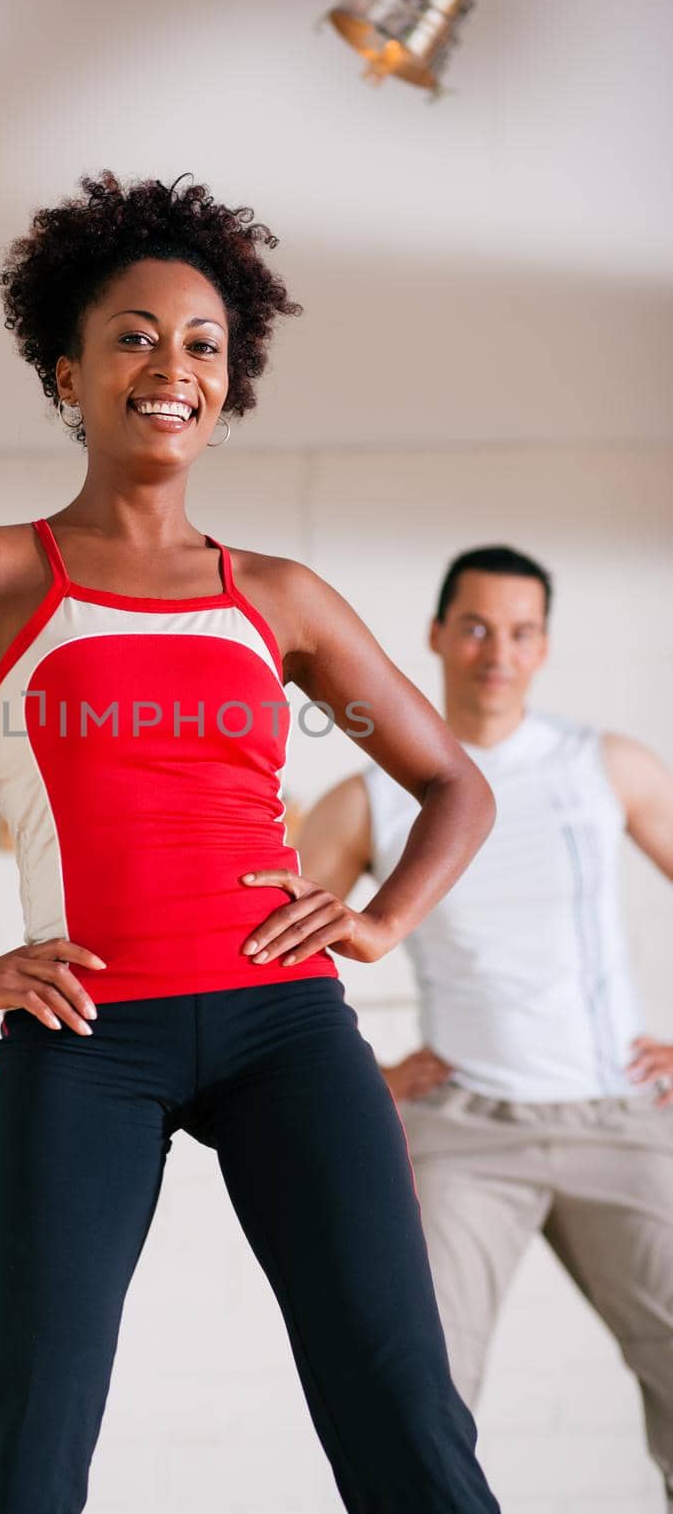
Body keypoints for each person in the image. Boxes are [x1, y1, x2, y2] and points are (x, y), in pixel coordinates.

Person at [0, 172, 502, 1514]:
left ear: (230, 385)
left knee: (399, 1401)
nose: (172, 366)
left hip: (286, 1032)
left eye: (202, 344)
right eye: (134, 336)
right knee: (24, 1434)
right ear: (68, 370)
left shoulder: (275, 600)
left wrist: (379, 922)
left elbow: (451, 785)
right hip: (88, 1039)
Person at [298, 543, 673, 1507]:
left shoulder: (607, 767)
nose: (493, 651)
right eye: (473, 627)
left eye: (518, 632)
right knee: (419, 1395)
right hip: (461, 1132)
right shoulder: (369, 798)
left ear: (542, 646)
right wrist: (362, 1073)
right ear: (434, 636)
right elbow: (267, 954)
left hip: (620, 1120)